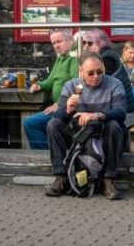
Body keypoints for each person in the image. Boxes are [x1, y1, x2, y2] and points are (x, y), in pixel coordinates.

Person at [44, 52, 127, 200]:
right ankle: (60, 177)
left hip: (103, 131)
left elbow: (121, 112)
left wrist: (97, 115)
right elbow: (58, 116)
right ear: (80, 71)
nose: (96, 76)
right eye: (91, 73)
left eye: (100, 71)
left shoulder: (114, 84)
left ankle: (108, 179)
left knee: (114, 125)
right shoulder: (71, 86)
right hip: (80, 134)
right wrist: (68, 109)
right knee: (53, 124)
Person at [23, 30, 79, 150]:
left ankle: (47, 157)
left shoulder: (74, 58)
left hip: (67, 109)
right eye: (53, 43)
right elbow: (50, 81)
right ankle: (52, 155)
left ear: (71, 40)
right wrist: (39, 85)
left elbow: (77, 85)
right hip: (58, 107)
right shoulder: (61, 58)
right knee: (32, 122)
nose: (56, 46)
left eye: (59, 41)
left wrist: (59, 104)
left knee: (31, 123)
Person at [80, 29, 134, 128]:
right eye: (84, 43)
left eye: (90, 43)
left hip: (122, 104)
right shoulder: (106, 55)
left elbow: (102, 85)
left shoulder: (107, 58)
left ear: (100, 43)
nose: (86, 46)